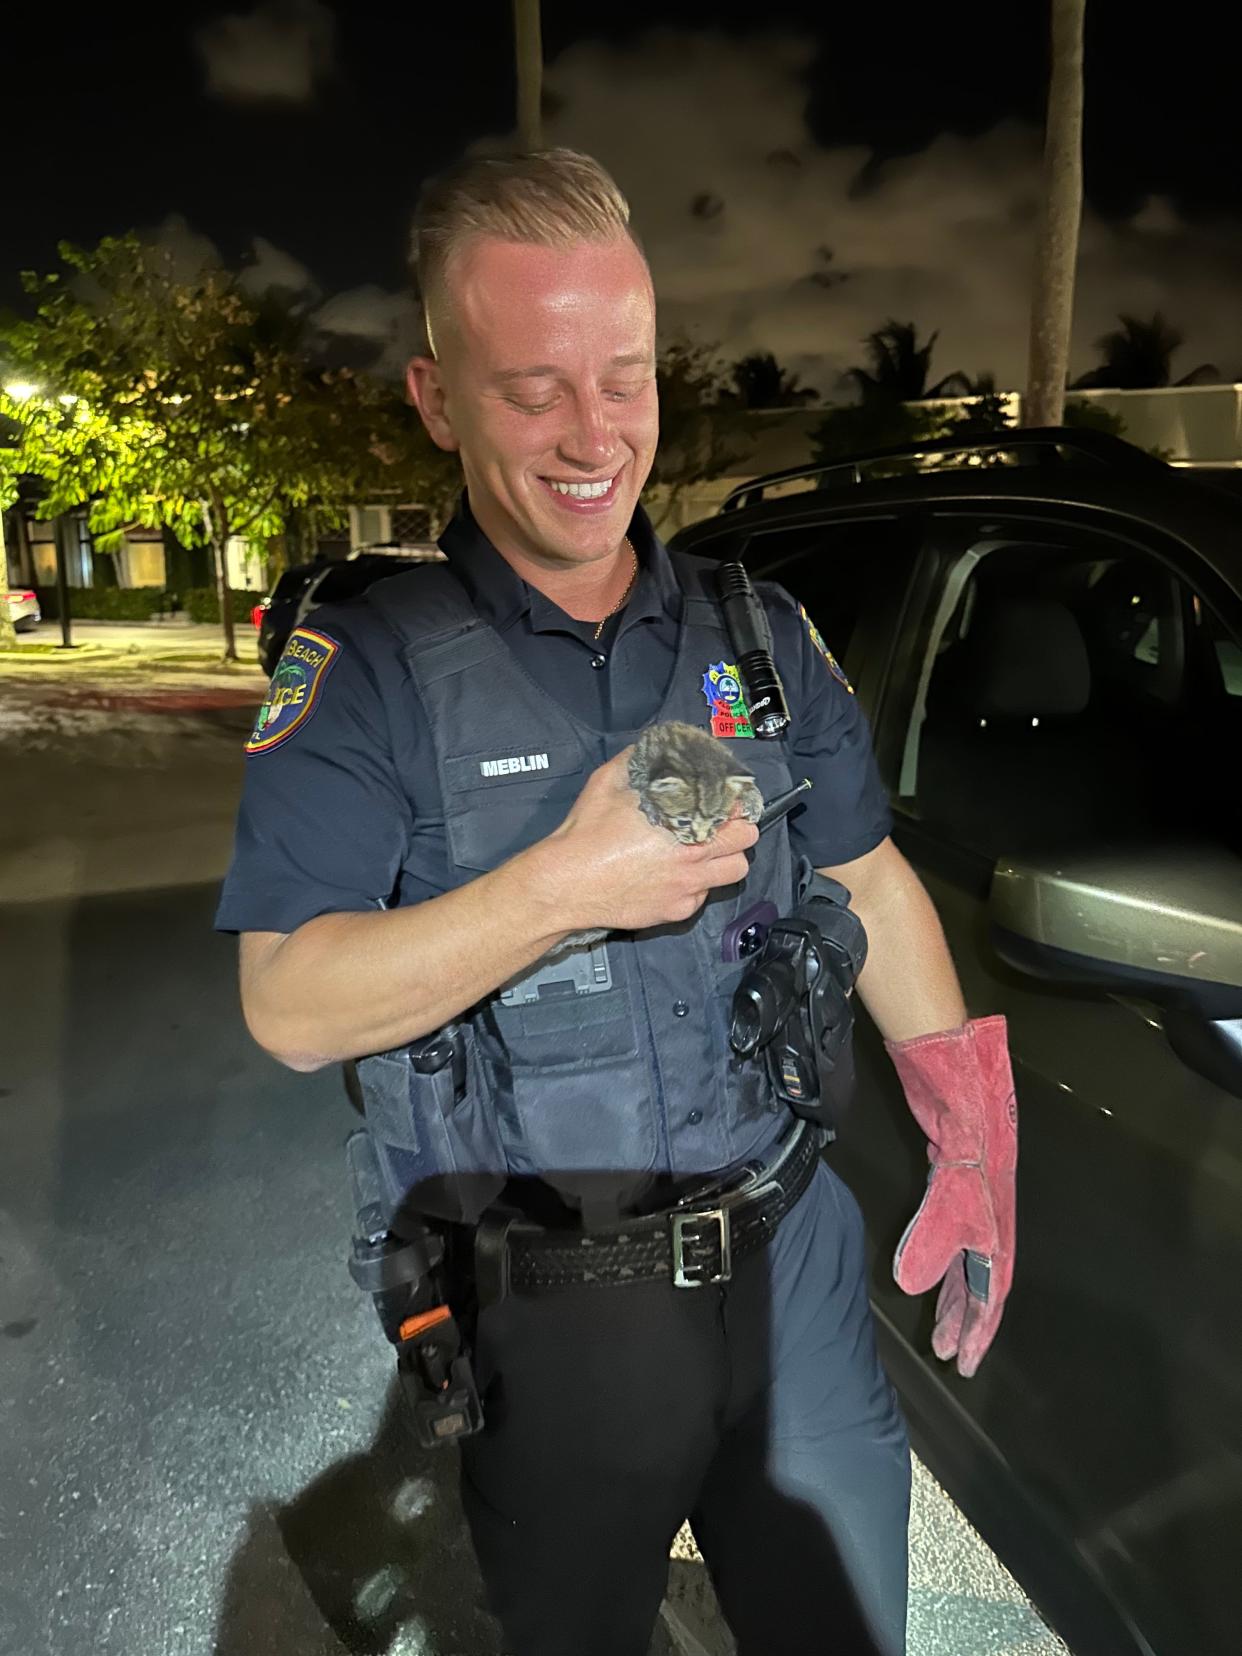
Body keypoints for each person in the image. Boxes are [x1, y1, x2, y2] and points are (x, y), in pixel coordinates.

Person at [216, 148, 1017, 1656]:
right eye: (532, 391)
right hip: (554, 1309)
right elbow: (290, 999)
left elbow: (865, 874)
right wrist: (557, 887)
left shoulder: (760, 634)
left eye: (627, 378)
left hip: (795, 1268)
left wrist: (973, 1129)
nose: (594, 437)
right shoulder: (370, 672)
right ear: (439, 400)